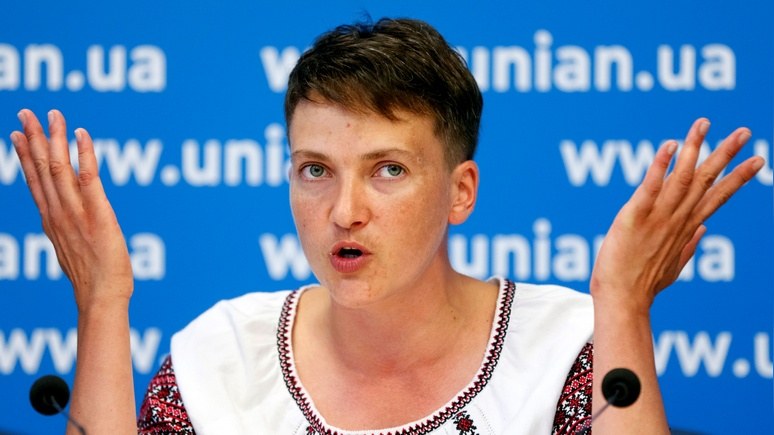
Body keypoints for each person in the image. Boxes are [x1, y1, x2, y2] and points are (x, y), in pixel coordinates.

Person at [9, 17, 763, 435]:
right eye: (315, 169)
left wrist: (622, 304)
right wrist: (102, 301)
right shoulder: (220, 358)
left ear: (460, 192)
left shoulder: (564, 348)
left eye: (389, 170)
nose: (345, 211)